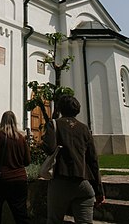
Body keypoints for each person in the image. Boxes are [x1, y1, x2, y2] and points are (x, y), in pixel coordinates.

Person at [42, 95, 105, 224]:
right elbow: (93, 160)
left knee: (54, 220)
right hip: (82, 183)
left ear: (59, 108)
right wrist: (99, 191)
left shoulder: (54, 124)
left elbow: (49, 148)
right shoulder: (84, 129)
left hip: (60, 180)